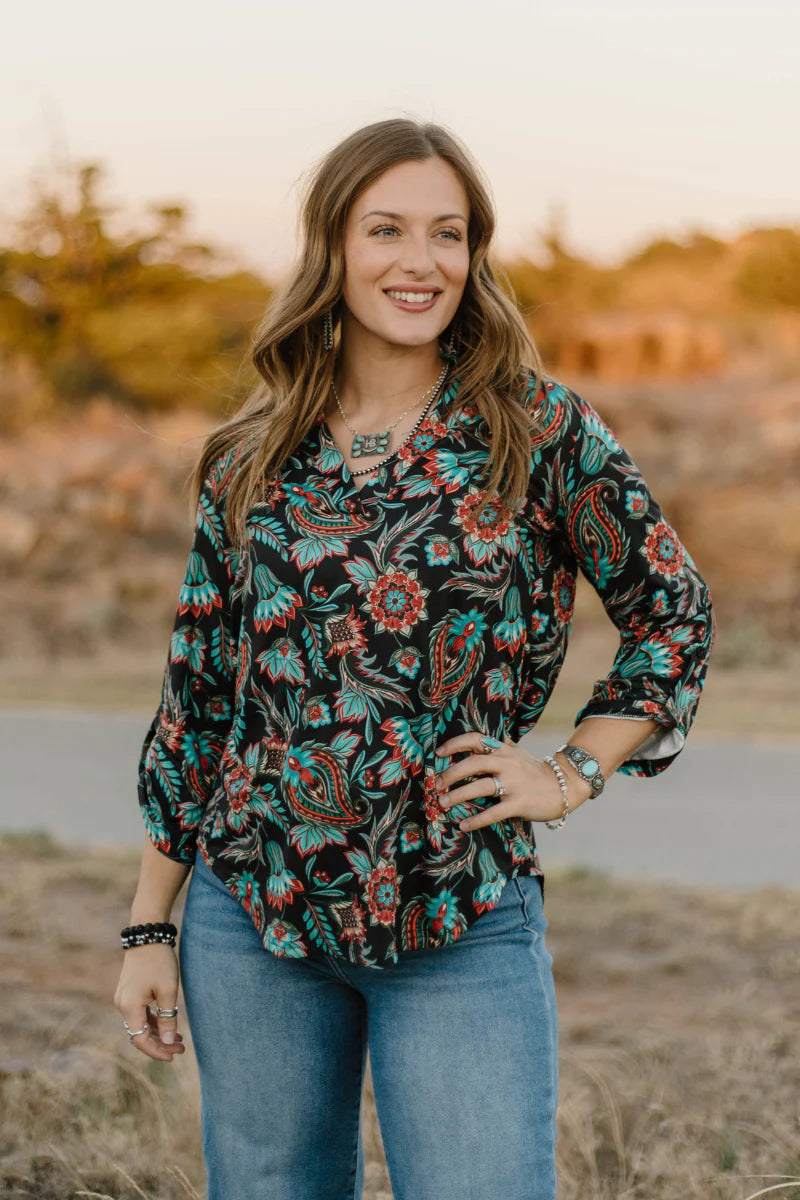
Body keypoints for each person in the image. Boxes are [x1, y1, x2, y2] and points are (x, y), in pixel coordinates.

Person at [113, 117, 715, 1200]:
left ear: (474, 253)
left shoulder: (536, 431)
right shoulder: (251, 453)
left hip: (457, 910)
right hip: (249, 911)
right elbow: (198, 695)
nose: (421, 260)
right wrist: (151, 923)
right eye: (385, 229)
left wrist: (570, 771)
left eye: (449, 233)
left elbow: (671, 610)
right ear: (333, 247)